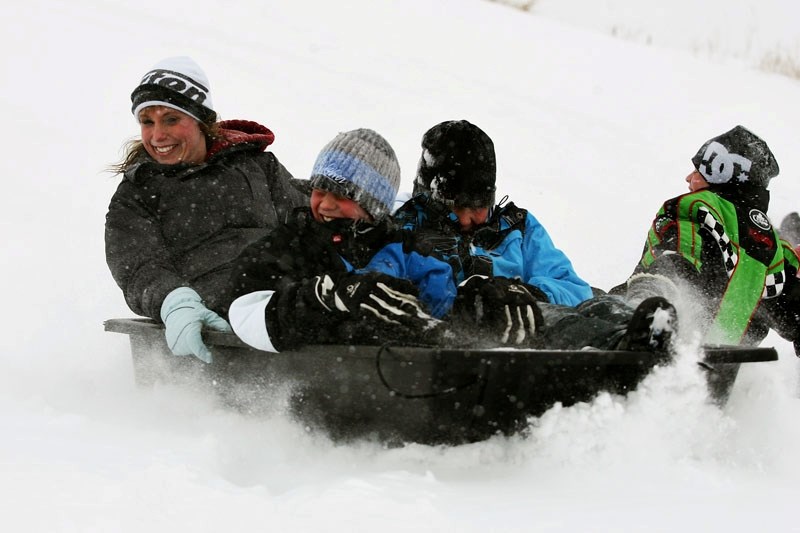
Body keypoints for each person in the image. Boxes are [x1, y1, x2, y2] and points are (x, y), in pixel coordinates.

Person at [105, 56, 308, 364]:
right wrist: (176, 302)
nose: (157, 136)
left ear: (201, 120)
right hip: (217, 315)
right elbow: (138, 265)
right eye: (147, 122)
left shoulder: (256, 165)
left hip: (291, 298)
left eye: (171, 119)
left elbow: (311, 221)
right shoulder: (138, 192)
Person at [227, 128, 455, 352]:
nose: (325, 204)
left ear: (373, 206)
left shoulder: (406, 250)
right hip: (311, 377)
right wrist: (327, 296)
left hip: (397, 376)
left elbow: (444, 304)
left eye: (340, 195)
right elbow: (243, 311)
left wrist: (474, 303)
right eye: (318, 191)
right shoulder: (290, 244)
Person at [393, 120, 594, 346]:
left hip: (529, 344)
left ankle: (630, 346)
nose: (471, 218)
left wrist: (527, 293)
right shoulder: (403, 228)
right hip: (441, 350)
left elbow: (577, 291)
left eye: (481, 205)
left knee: (592, 311)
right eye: (460, 206)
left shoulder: (517, 228)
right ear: (434, 198)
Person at [613, 125, 800, 353]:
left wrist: (643, 306)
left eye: (698, 172)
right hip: (711, 370)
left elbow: (677, 259)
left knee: (586, 304)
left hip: (640, 335)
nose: (689, 178)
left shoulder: (696, 207)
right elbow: (794, 310)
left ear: (722, 173)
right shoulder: (770, 253)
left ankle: (644, 325)